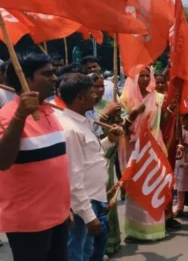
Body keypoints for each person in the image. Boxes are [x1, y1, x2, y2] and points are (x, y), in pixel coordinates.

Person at [0, 53, 69, 261]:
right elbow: (3, 161)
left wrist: (67, 209)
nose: (55, 78)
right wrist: (20, 116)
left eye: (54, 73)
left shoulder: (49, 111)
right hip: (29, 223)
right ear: (26, 79)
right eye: (47, 74)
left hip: (59, 216)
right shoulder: (7, 116)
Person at [59, 73, 123, 261]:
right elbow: (74, 177)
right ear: (80, 97)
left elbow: (90, 156)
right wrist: (88, 216)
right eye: (92, 92)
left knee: (87, 252)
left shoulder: (83, 122)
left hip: (95, 198)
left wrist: (109, 140)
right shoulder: (70, 129)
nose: (97, 95)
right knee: (77, 253)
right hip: (84, 205)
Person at [119, 67, 169, 242]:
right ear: (134, 78)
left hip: (154, 148)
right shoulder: (125, 99)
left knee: (153, 186)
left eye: (149, 75)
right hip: (135, 150)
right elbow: (121, 128)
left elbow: (161, 124)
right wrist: (134, 114)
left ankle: (155, 229)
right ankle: (136, 230)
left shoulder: (158, 98)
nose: (147, 79)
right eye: (143, 76)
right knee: (136, 189)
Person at [174, 114, 188, 217]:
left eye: (184, 119)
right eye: (181, 119)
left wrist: (185, 144)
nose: (183, 121)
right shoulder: (179, 130)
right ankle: (180, 207)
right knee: (180, 184)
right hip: (180, 161)